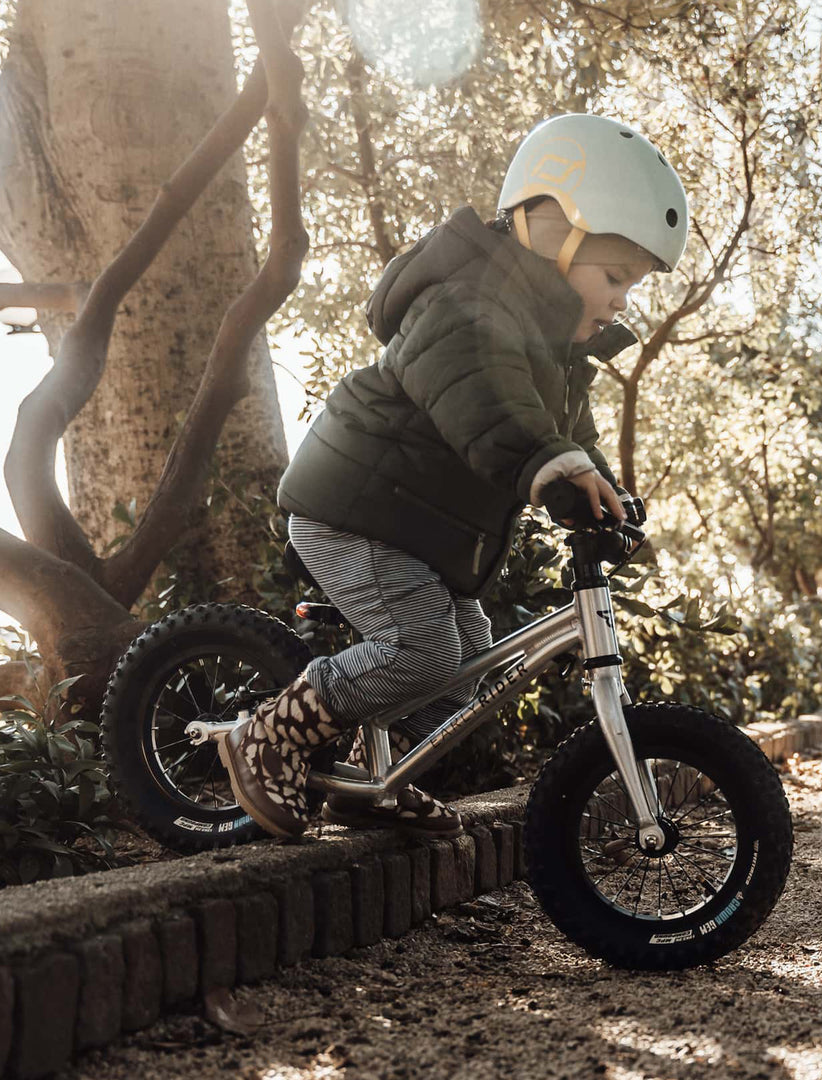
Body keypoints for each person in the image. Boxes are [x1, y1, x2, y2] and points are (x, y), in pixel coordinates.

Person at [217, 113, 689, 841]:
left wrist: (600, 491)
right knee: (424, 651)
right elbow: (483, 393)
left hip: (411, 527)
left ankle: (366, 784)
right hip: (358, 507)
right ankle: (268, 735)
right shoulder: (469, 301)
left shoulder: (558, 352)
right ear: (552, 230)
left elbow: (565, 438)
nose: (624, 298)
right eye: (616, 275)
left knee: (467, 662)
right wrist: (546, 462)